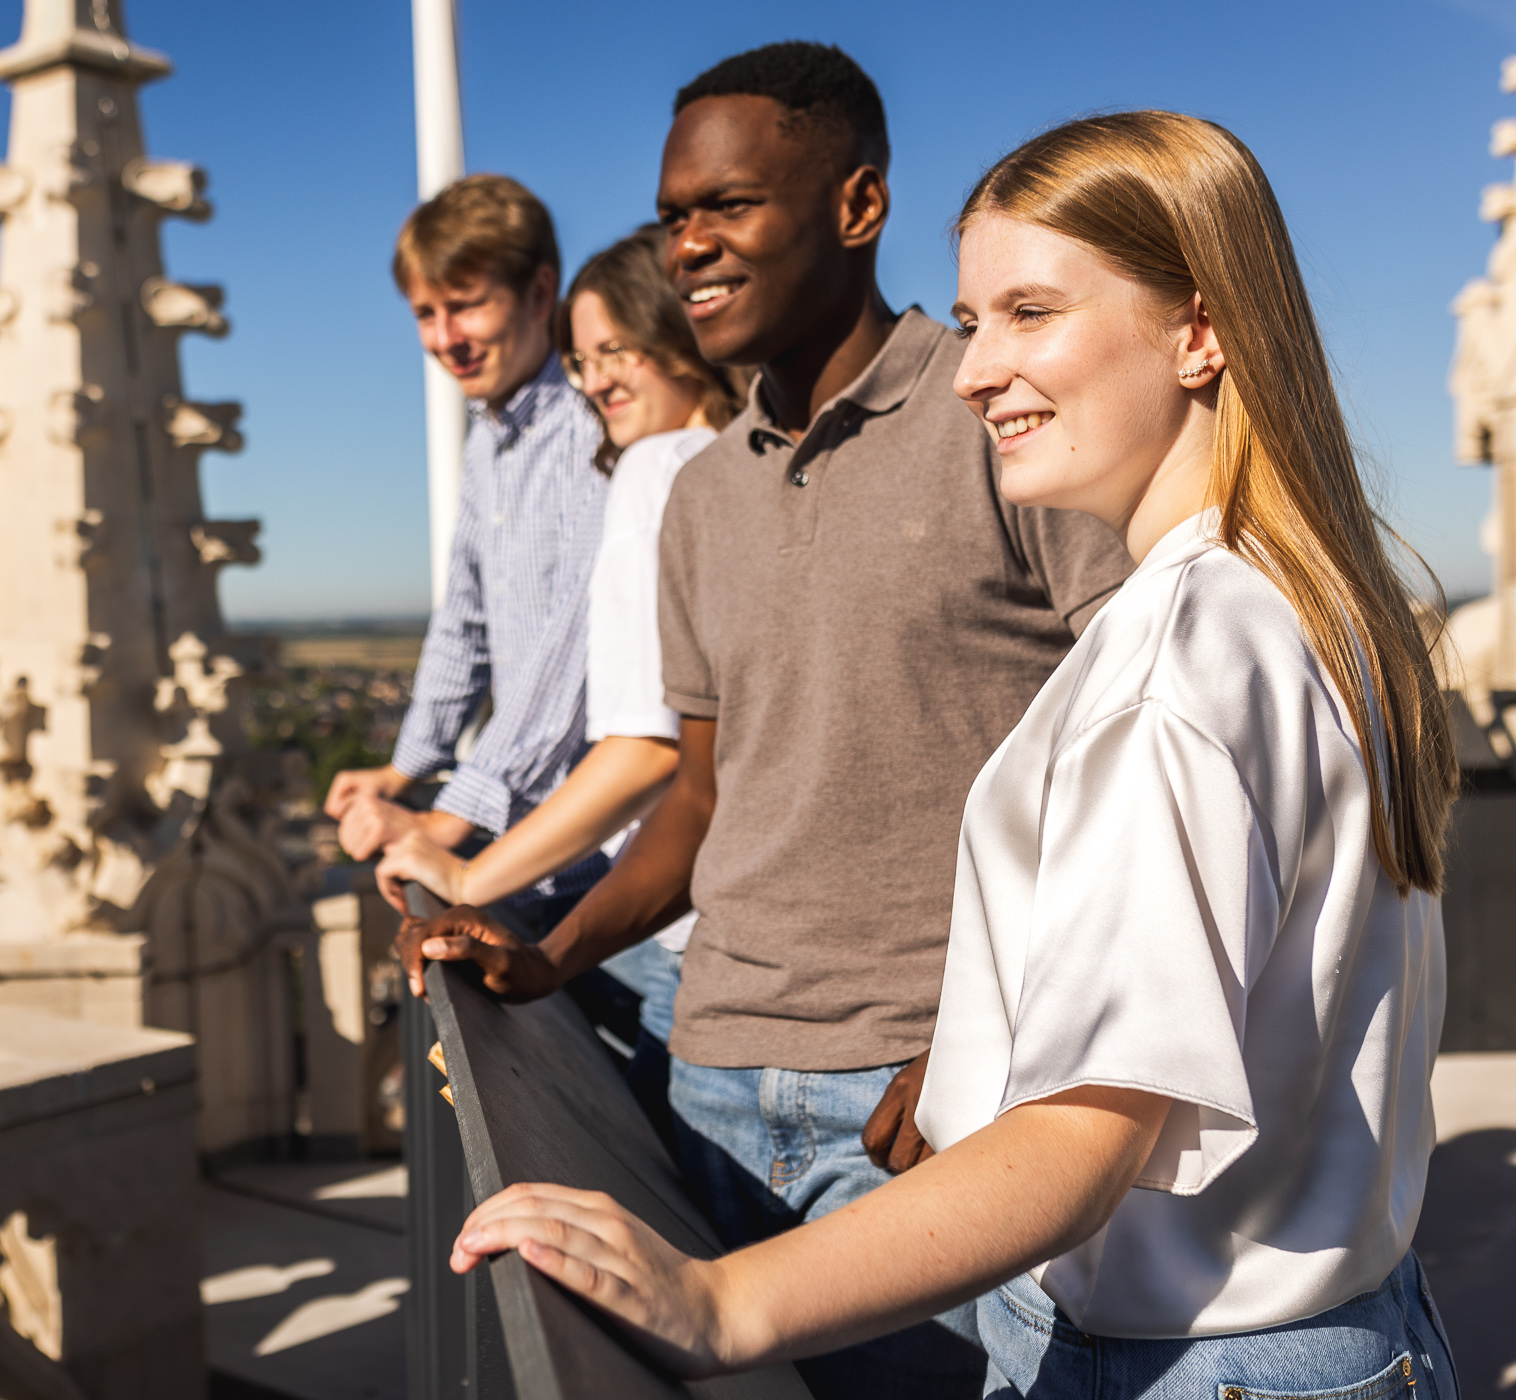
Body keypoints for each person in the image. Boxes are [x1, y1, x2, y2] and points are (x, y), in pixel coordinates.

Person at [444, 109, 1463, 1398]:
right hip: (1350, 1324)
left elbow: (1086, 1136)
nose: (978, 371)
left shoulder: (1175, 660)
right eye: (976, 321)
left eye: (1032, 313)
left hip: (1194, 1358)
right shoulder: (1297, 602)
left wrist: (720, 1298)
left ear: (1199, 329)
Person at [397, 42, 1130, 1392]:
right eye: (675, 217)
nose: (690, 246)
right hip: (713, 1082)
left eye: (727, 207)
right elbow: (699, 800)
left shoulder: (998, 419)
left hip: (920, 1113)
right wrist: (543, 957)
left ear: (858, 206)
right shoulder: (702, 496)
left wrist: (995, 1036)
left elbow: (1134, 759)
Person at [377, 225, 743, 1125]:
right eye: (585, 361)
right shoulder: (744, 465)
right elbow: (465, 622)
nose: (596, 383)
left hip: (703, 935)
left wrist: (468, 872)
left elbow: (646, 748)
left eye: (617, 348)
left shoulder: (656, 468)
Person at [327, 175, 608, 935]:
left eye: (467, 304)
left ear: (538, 290)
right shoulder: (490, 438)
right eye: (426, 312)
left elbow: (574, 653)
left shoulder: (596, 420)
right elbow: (467, 623)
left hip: (610, 862)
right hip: (535, 858)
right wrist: (405, 768)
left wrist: (447, 821)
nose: (445, 338)